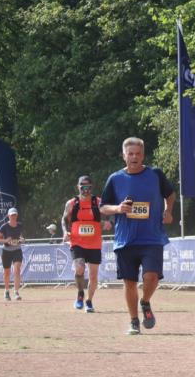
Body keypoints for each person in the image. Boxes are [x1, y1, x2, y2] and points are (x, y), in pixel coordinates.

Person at [99, 137, 176, 335]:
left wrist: (168, 211)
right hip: (126, 240)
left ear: (143, 155)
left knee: (151, 277)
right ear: (124, 155)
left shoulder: (155, 174)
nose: (134, 157)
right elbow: (103, 207)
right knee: (130, 283)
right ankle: (134, 321)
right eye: (130, 154)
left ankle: (146, 301)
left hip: (152, 237)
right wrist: (118, 208)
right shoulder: (115, 179)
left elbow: (170, 194)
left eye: (138, 154)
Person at [63, 175, 108, 312]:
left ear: (92, 187)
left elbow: (111, 213)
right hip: (77, 241)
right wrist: (65, 231)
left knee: (93, 276)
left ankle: (89, 301)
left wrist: (109, 222)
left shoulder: (98, 202)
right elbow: (64, 219)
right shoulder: (71, 203)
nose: (85, 190)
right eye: (83, 187)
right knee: (80, 267)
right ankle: (80, 294)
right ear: (78, 187)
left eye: (88, 187)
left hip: (94, 243)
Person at [0, 207, 25, 301]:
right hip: (6, 251)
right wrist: (6, 240)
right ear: (8, 216)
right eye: (11, 215)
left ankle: (16, 292)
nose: (13, 216)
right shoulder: (4, 226)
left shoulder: (20, 225)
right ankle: (6, 291)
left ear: (17, 215)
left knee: (17, 270)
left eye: (15, 215)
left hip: (17, 250)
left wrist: (22, 239)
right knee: (7, 272)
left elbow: (21, 236)